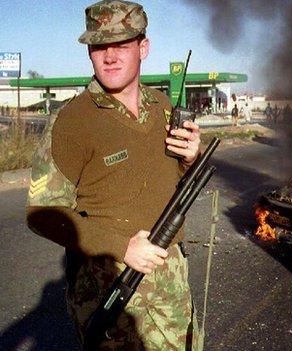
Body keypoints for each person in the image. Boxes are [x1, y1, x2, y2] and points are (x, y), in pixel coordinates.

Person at [25, 1, 203, 349]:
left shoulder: (162, 107)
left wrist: (189, 159)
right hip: (111, 289)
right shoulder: (71, 121)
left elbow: (170, 178)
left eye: (121, 45)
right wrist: (122, 247)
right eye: (99, 47)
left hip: (171, 282)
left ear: (143, 48)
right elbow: (41, 214)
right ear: (90, 52)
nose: (110, 56)